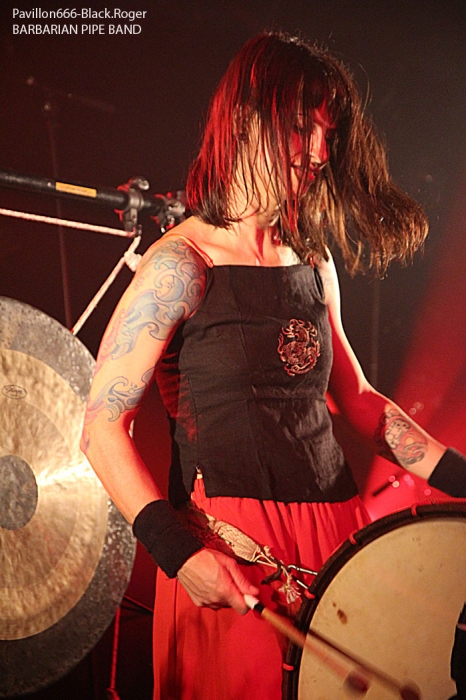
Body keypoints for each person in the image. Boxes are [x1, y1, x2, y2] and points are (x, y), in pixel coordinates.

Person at [81, 31, 466, 700]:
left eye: (327, 134)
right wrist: (179, 555)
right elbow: (100, 427)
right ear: (243, 120)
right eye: (299, 128)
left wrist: (462, 477)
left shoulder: (313, 259)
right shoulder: (182, 264)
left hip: (338, 544)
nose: (319, 153)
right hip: (231, 554)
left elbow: (359, 401)